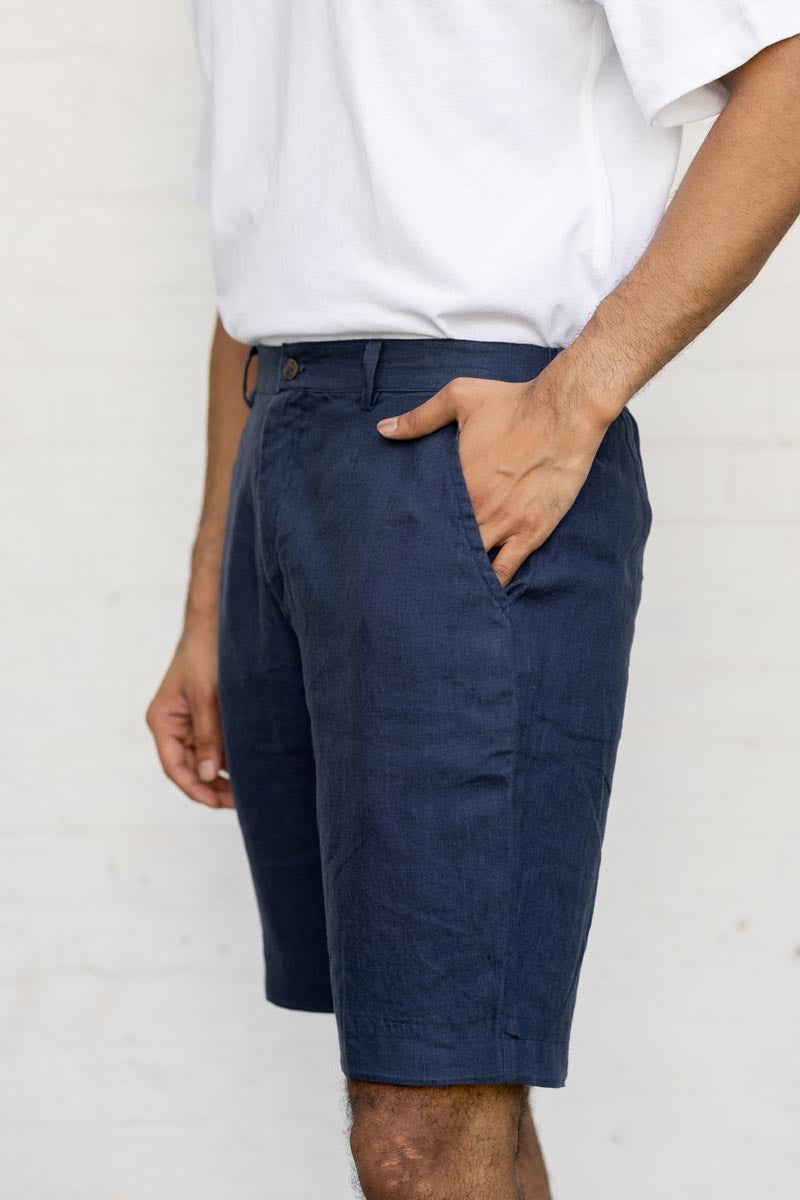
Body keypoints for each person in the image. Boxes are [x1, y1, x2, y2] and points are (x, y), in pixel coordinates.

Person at [146, 3, 800, 1196]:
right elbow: (272, 246)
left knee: (420, 1123)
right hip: (283, 431)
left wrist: (576, 396)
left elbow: (787, 72)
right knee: (432, 1080)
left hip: (456, 443)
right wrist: (207, 597)